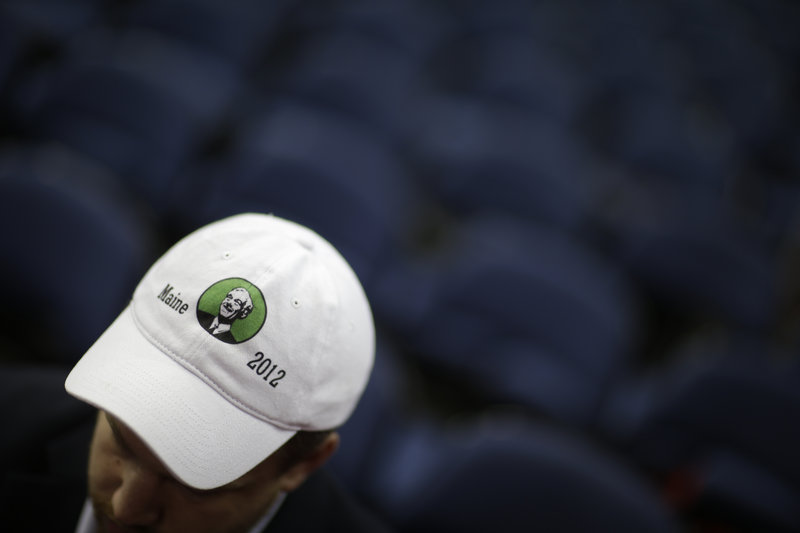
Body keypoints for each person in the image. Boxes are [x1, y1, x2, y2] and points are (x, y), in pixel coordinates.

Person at [1, 213, 390, 532]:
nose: (127, 508)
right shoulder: (12, 418)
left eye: (193, 486)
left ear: (305, 464)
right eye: (121, 440)